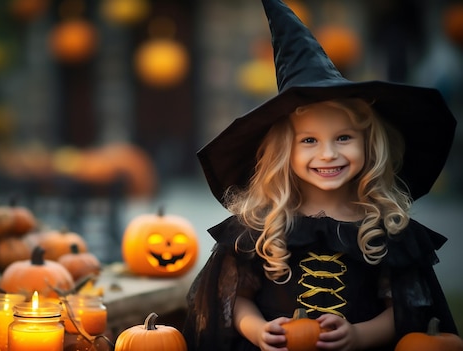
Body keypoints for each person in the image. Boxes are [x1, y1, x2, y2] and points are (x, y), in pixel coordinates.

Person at [183, 0, 459, 350]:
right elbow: (231, 297)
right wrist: (256, 330)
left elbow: (406, 308)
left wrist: (359, 335)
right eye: (309, 140)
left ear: (369, 145)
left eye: (344, 137)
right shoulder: (261, 226)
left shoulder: (386, 227)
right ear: (286, 152)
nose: (328, 153)